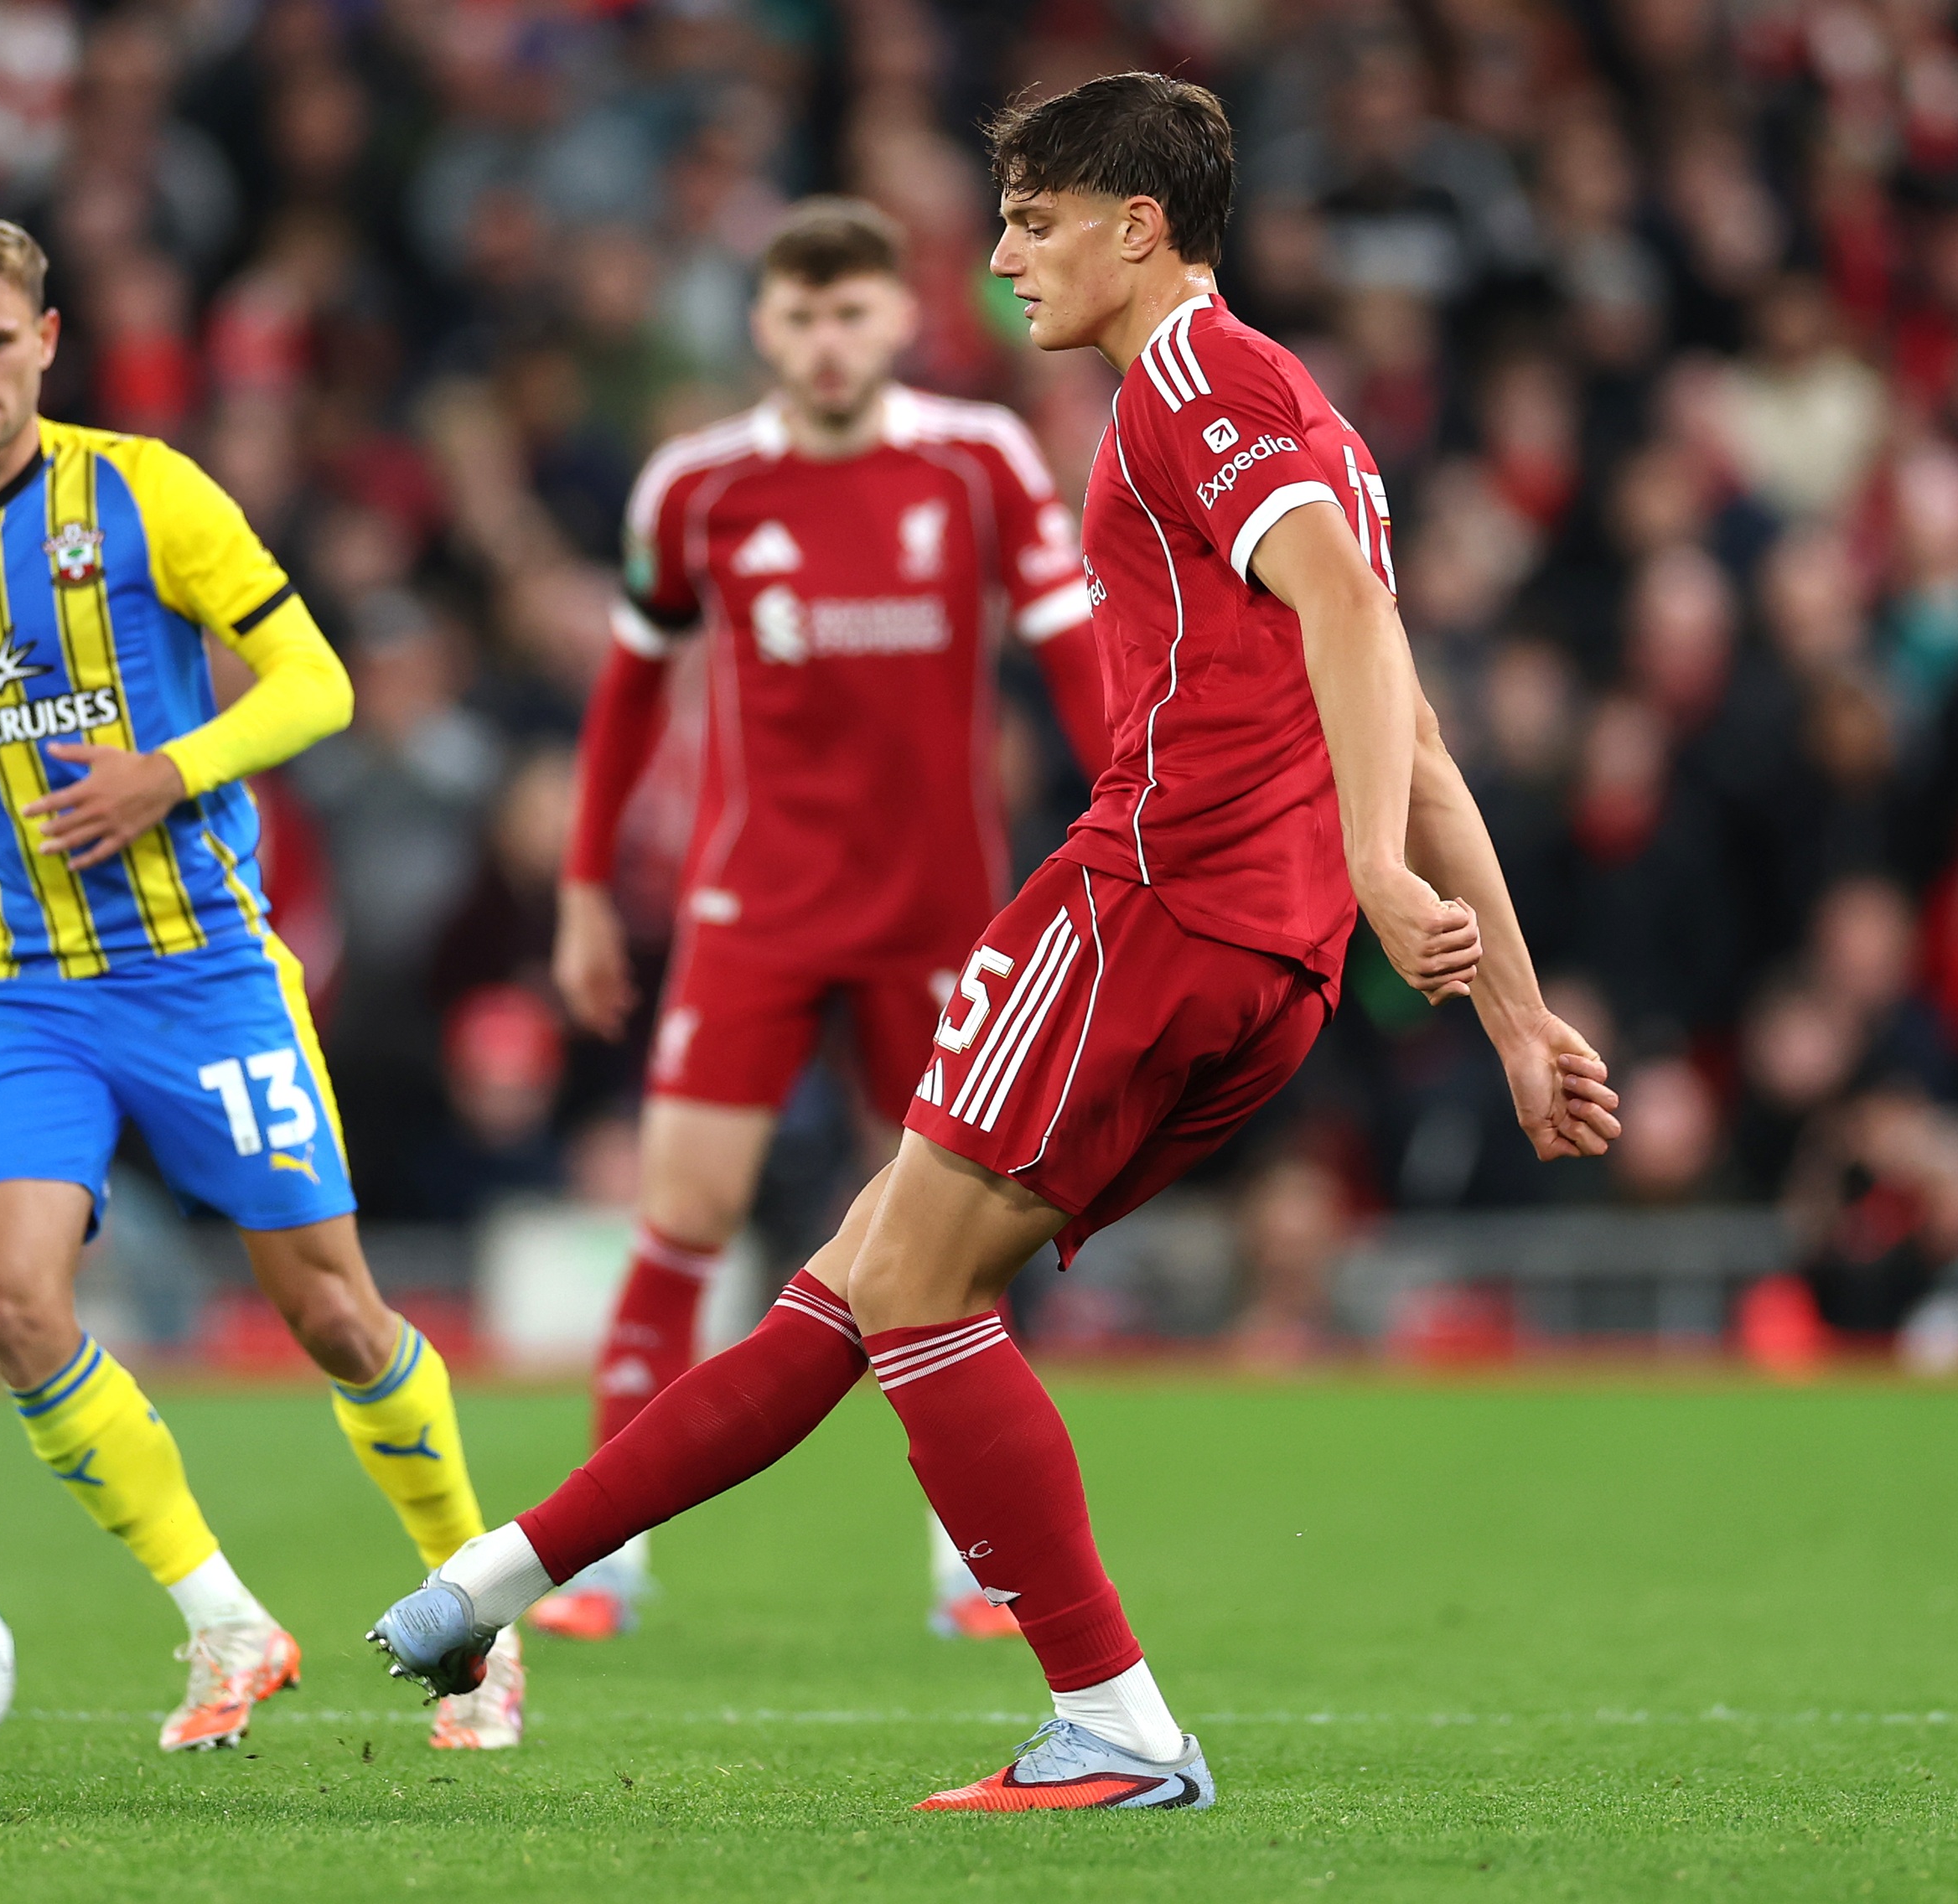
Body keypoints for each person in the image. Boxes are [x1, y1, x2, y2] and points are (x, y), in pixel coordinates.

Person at [368, 74, 1619, 1809]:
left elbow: (1342, 612)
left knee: (897, 1284)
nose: (1006, 258)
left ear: (1140, 226)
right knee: (864, 1270)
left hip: (1152, 902)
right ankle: (497, 1579)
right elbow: (1403, 712)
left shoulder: (1199, 378)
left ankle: (1111, 1715)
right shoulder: (1287, 408)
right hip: (1276, 961)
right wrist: (1510, 1011)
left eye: (1036, 222)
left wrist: (1380, 878)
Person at [0, 215, 518, 1754]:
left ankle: (476, 1612)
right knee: (2, 1296)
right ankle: (226, 1625)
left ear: (47, 340)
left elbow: (316, 679)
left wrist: (164, 774)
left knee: (330, 1313)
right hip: (17, 992)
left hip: (202, 973)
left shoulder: (145, 496)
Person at [534, 195, 1108, 1643]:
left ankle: (972, 1566)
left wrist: (1128, 828)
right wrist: (587, 885)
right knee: (681, 1218)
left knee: (952, 1239)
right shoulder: (696, 486)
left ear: (900, 319)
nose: (827, 341)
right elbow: (623, 697)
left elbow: (1075, 656)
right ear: (760, 327)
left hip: (938, 916)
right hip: (754, 909)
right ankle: (604, 1565)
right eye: (799, 314)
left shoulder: (974, 464)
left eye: (851, 312)